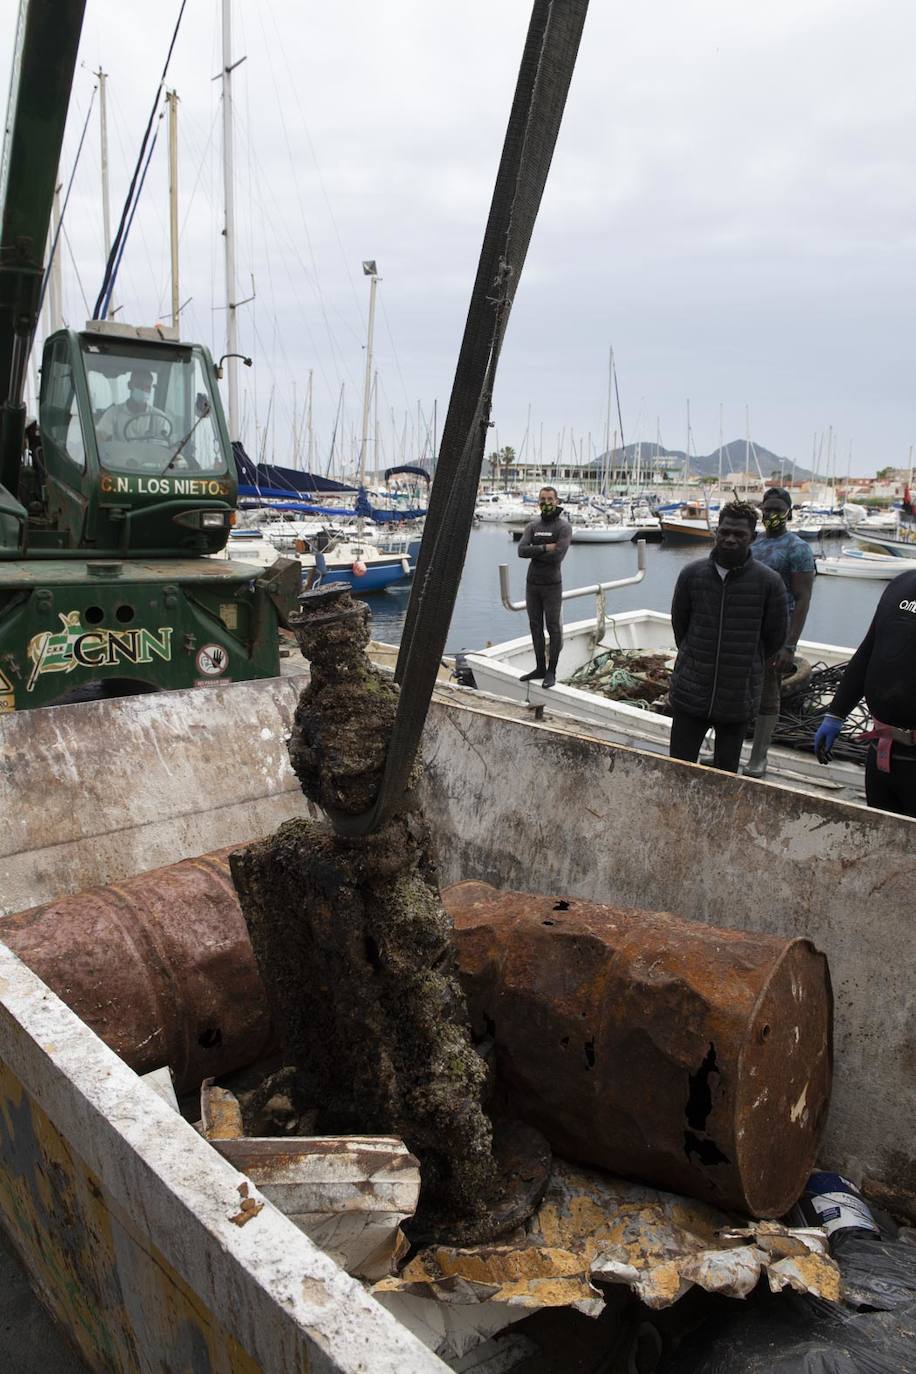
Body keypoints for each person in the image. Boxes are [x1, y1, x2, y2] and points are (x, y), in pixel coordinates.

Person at [668, 500, 788, 773]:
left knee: (725, 776)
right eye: (724, 532)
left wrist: (746, 663)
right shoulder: (692, 575)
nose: (730, 539)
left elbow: (774, 637)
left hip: (738, 697)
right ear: (716, 532)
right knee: (678, 769)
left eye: (739, 534)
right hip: (691, 692)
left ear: (753, 538)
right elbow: (680, 626)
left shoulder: (769, 583)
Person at [814, 568, 916, 817]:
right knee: (879, 843)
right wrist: (836, 713)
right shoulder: (902, 583)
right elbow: (868, 651)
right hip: (882, 752)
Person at [743, 487, 816, 777]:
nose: (771, 514)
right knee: (738, 692)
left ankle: (759, 758)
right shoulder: (753, 543)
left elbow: (803, 599)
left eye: (777, 509)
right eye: (767, 509)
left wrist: (790, 646)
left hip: (775, 634)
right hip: (745, 631)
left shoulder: (798, 548)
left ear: (788, 512)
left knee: (768, 695)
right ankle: (729, 751)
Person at [517, 485, 573, 688]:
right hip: (532, 584)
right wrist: (545, 547)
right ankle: (539, 667)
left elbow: (558, 555)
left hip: (552, 585)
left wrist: (536, 550)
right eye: (543, 499)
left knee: (553, 627)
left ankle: (551, 671)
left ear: (557, 501)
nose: (547, 503)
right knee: (535, 626)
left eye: (550, 499)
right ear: (538, 502)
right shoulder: (532, 526)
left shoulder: (563, 527)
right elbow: (521, 551)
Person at [96, 368, 171, 443]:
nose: (143, 390)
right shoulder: (112, 414)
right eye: (139, 385)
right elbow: (101, 439)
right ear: (129, 385)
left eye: (147, 387)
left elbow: (164, 447)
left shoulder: (159, 417)